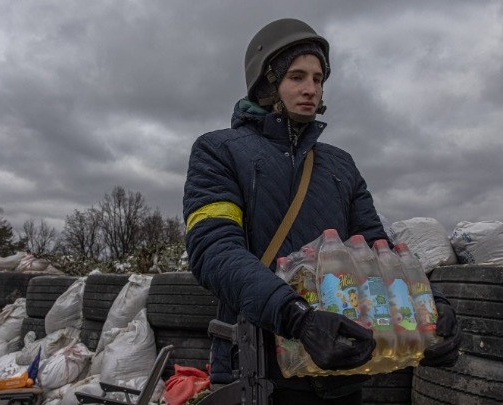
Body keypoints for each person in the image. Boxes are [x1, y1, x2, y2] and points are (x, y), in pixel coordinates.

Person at [183, 18, 462, 404]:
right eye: (298, 76)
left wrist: (430, 307)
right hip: (257, 372)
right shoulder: (219, 151)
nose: (311, 89)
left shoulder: (340, 165)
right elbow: (213, 251)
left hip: (338, 369)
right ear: (267, 82)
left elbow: (380, 251)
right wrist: (297, 316)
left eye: (318, 79)